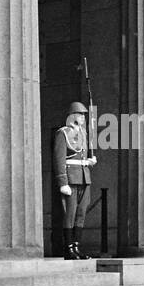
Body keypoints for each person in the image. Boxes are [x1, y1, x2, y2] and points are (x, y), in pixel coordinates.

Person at [53, 101, 96, 260]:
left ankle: (77, 247)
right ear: (72, 116)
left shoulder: (83, 134)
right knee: (69, 214)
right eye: (80, 114)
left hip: (84, 177)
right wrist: (62, 182)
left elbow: (81, 156)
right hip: (71, 178)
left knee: (81, 213)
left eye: (84, 114)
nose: (83, 117)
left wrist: (89, 161)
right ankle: (68, 248)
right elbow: (59, 160)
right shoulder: (62, 133)